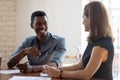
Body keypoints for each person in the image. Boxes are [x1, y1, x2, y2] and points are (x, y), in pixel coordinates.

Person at [45, 1, 114, 80]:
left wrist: (59, 73)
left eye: (84, 18)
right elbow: (79, 66)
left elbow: (85, 75)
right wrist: (55, 70)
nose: (82, 22)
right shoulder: (93, 42)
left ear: (92, 19)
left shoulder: (101, 46)